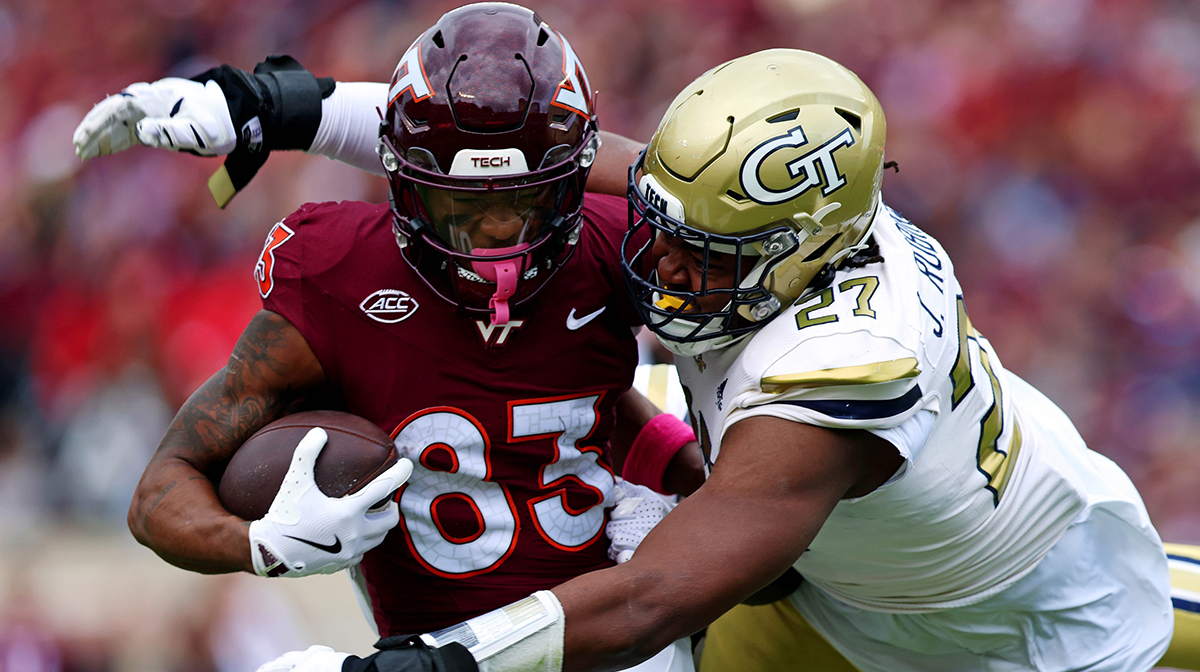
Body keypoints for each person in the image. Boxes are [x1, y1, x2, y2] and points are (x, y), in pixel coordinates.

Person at [240, 48, 1179, 672]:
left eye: (709, 257)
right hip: (828, 602)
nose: (665, 265)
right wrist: (295, 107)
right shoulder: (771, 218)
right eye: (665, 227)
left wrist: (436, 659)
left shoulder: (853, 355)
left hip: (1030, 623)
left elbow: (650, 597)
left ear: (805, 249)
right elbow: (531, 156)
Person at [74, 5, 700, 671]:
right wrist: (262, 541)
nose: (493, 234)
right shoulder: (339, 274)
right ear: (399, 182)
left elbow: (613, 375)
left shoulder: (614, 245)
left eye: (522, 203)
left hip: (608, 640)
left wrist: (681, 482)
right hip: (418, 657)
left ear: (571, 184)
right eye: (462, 207)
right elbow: (159, 493)